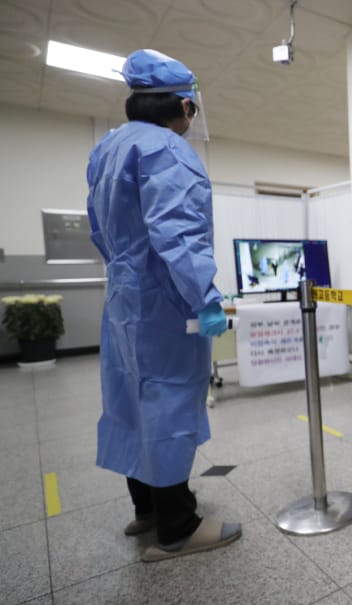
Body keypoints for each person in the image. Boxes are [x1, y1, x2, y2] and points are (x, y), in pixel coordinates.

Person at [86, 49, 240, 562]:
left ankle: (148, 509)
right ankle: (178, 527)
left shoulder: (108, 148)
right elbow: (180, 236)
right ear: (183, 106)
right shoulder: (168, 151)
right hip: (164, 303)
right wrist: (206, 299)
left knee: (130, 399)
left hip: (123, 300)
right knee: (168, 403)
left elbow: (98, 228)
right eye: (191, 108)